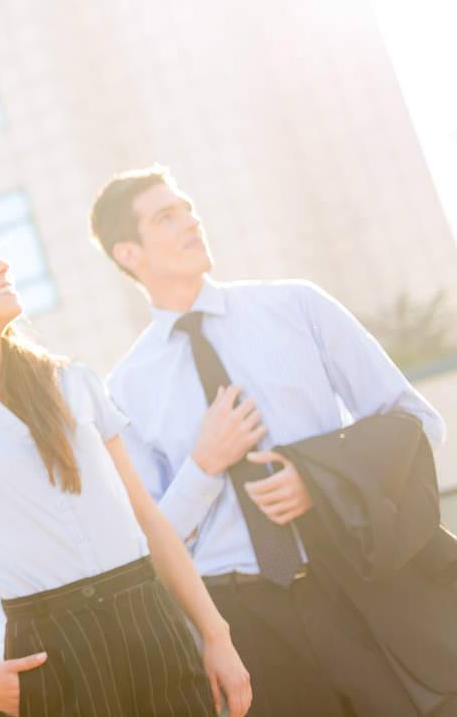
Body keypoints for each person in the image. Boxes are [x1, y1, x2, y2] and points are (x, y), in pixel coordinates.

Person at [90, 165, 451, 716]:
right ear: (128, 254)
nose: (191, 221)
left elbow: (414, 420)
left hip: (356, 585)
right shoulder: (125, 390)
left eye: (187, 207)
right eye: (167, 217)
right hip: (244, 625)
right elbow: (149, 543)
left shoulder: (296, 307)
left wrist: (321, 483)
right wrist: (205, 466)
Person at [0, 214, 251, 717]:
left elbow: (148, 518)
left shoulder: (73, 382)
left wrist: (216, 634)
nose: (1, 264)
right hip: (49, 649)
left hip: (149, 616)